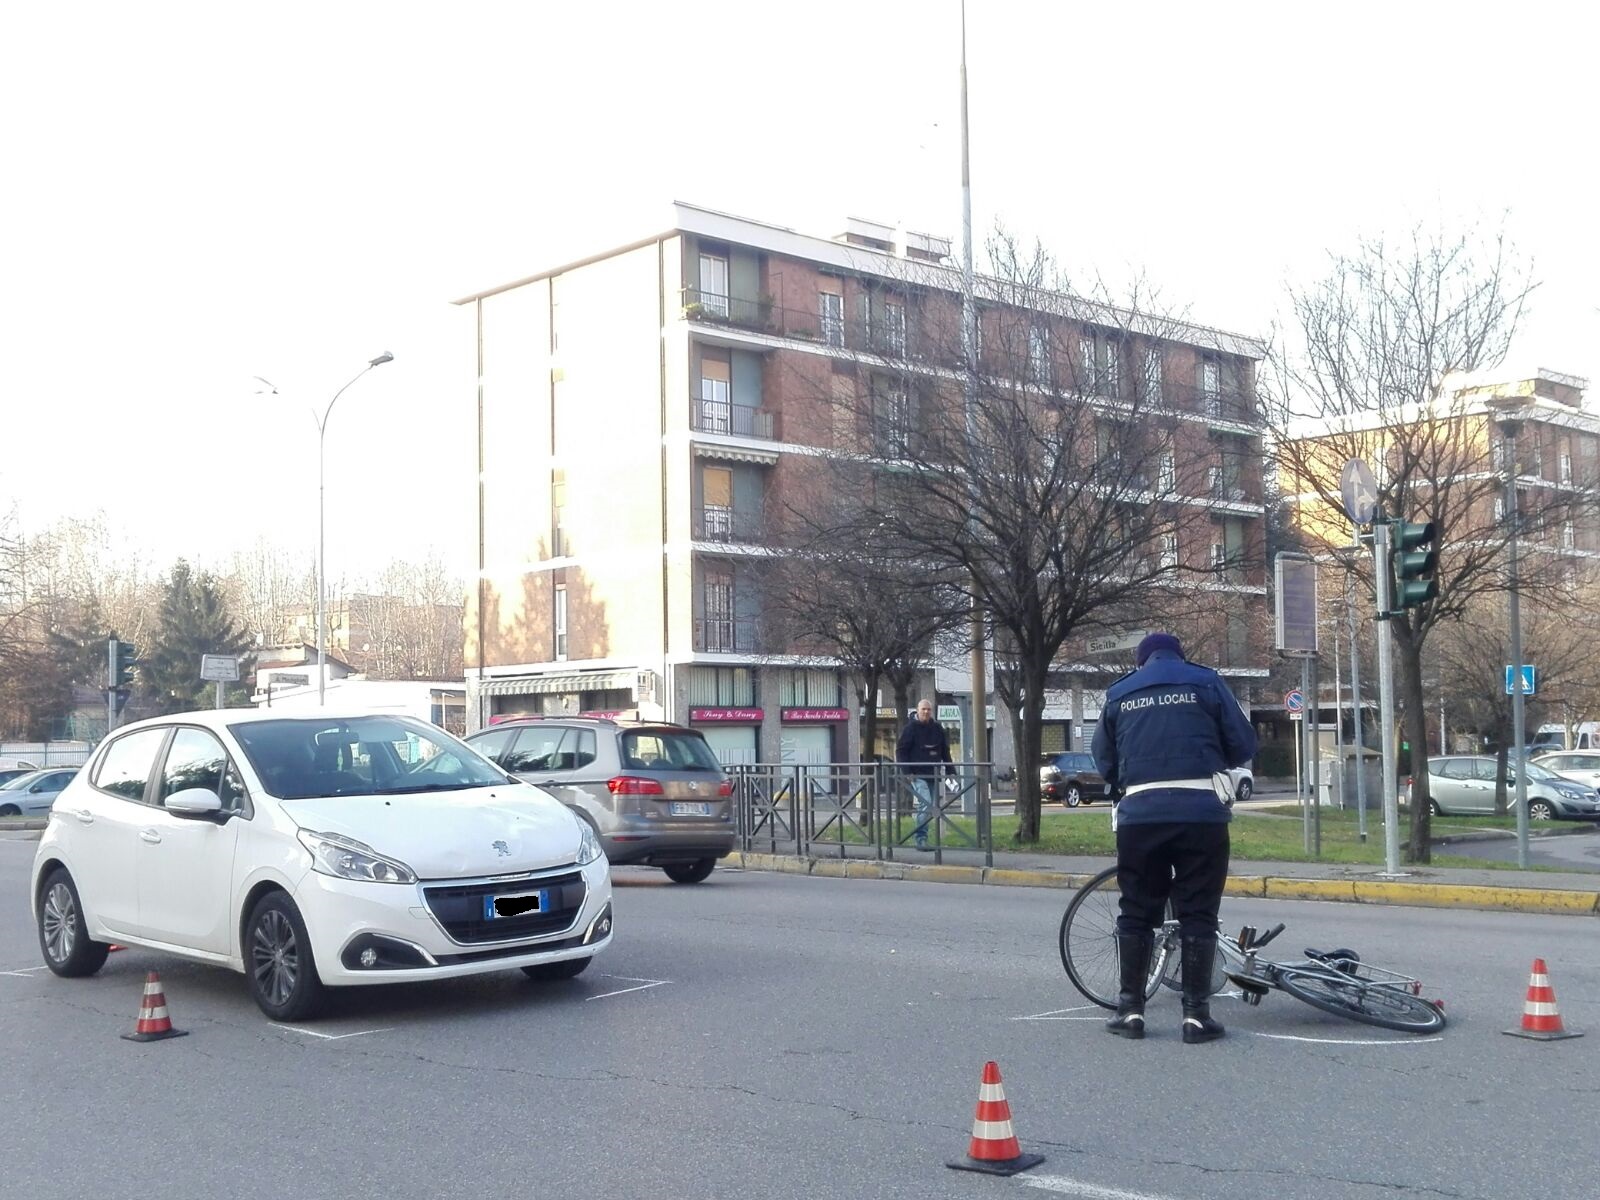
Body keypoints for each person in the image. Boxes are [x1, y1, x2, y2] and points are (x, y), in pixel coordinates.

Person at [1090, 632, 1257, 1043]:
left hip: (1140, 816)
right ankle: (1196, 1017)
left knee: (1136, 911)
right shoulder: (1206, 682)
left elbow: (1104, 760)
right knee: (1198, 910)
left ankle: (1131, 1011)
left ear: (1142, 660)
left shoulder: (1119, 693)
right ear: (1179, 656)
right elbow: (1243, 743)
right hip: (1201, 814)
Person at [896, 698, 955, 850]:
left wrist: (951, 771)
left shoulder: (937, 728)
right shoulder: (910, 729)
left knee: (932, 806)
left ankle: (924, 838)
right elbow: (901, 751)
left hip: (934, 774)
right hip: (917, 774)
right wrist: (907, 772)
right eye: (923, 709)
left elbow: (944, 751)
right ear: (918, 710)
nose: (926, 712)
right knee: (926, 804)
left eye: (928, 709)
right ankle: (921, 839)